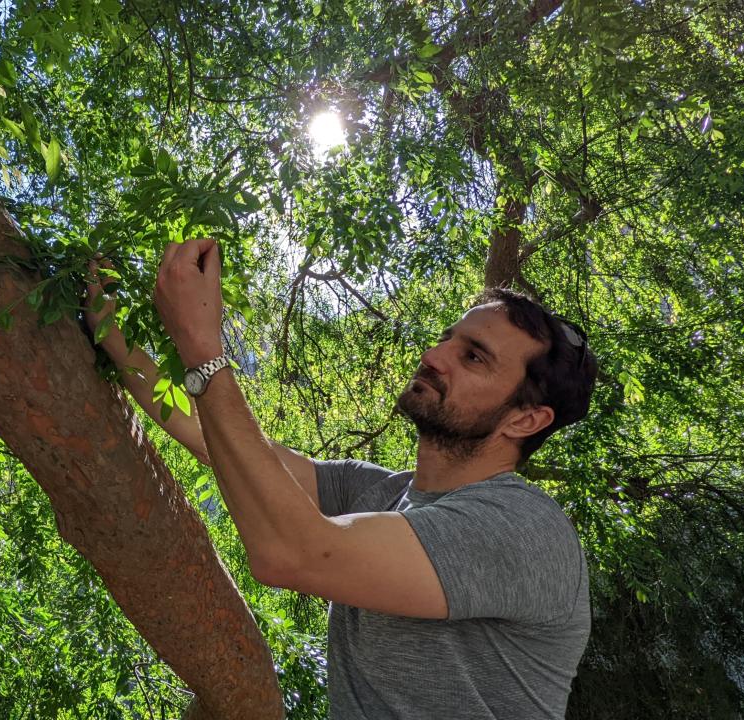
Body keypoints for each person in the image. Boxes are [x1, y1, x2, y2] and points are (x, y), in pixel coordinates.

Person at [86, 238, 599, 719]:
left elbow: (292, 552)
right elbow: (217, 442)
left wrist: (204, 349)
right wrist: (111, 335)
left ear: (525, 419)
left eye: (473, 357)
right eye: (448, 339)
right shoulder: (380, 495)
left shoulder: (523, 528)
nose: (433, 356)